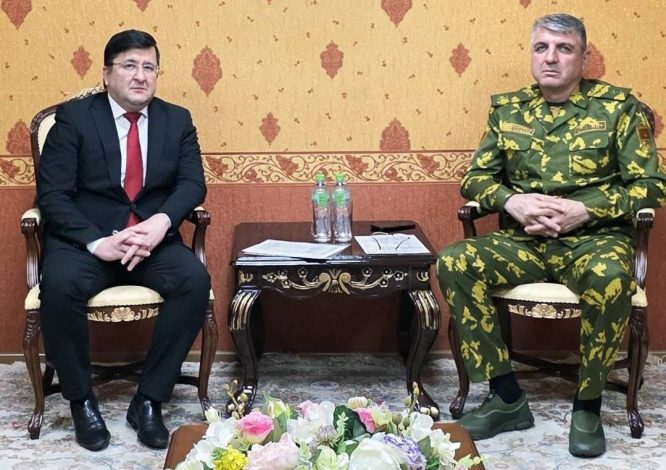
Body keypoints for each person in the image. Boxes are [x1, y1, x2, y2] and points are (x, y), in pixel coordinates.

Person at [437, 13, 666, 458]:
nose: (551, 58)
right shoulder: (508, 110)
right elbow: (475, 179)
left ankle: (588, 405)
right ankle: (506, 397)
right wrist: (512, 202)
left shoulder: (618, 108)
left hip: (594, 241)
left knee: (610, 277)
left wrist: (587, 209)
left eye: (564, 49)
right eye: (541, 48)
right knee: (454, 261)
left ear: (584, 57)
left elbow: (651, 186)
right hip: (524, 241)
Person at [37, 29, 210, 451]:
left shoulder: (177, 119)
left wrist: (161, 223)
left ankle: (149, 400)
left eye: (149, 67)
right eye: (129, 65)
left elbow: (192, 184)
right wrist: (97, 242)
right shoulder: (74, 118)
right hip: (87, 244)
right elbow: (53, 195)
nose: (140, 76)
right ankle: (81, 402)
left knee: (193, 280)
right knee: (58, 285)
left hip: (151, 243)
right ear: (106, 74)